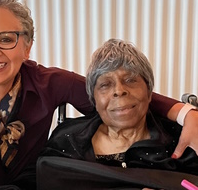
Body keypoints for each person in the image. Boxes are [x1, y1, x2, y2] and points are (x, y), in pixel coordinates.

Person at [0, 0, 197, 190]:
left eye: (6, 39)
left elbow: (116, 99)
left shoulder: (51, 83)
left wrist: (186, 113)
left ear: (27, 47)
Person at [38, 39, 198, 189]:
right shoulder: (67, 141)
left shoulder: (181, 140)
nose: (119, 90)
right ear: (94, 100)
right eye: (105, 84)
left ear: (149, 92)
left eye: (130, 80)